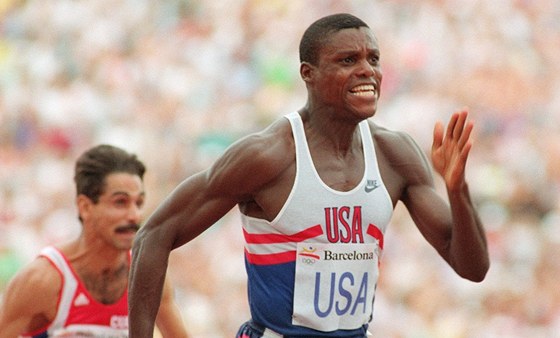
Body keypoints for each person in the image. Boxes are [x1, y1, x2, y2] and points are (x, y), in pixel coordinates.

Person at [128, 13, 490, 337]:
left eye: (373, 58)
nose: (367, 70)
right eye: (348, 60)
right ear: (308, 73)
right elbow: (153, 237)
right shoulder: (269, 155)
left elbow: (471, 268)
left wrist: (458, 190)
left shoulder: (395, 155)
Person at [0, 145, 189, 337]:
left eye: (139, 203)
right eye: (120, 202)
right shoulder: (42, 280)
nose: (134, 215)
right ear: (85, 207)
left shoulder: (147, 277)